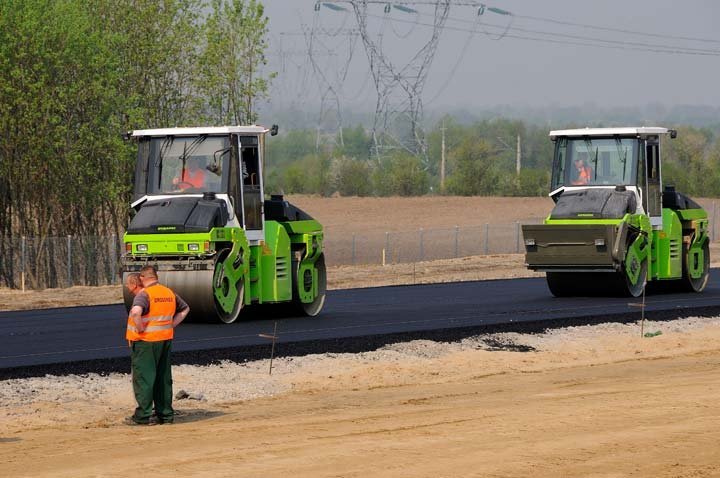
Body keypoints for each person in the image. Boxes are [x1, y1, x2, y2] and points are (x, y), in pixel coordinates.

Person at [124, 266, 190, 426]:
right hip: (165, 340)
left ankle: (142, 416)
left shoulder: (145, 294)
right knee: (163, 378)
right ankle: (166, 415)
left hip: (146, 343)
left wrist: (140, 328)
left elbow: (135, 312)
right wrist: (171, 325)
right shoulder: (168, 292)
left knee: (144, 379)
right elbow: (185, 309)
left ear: (142, 278)